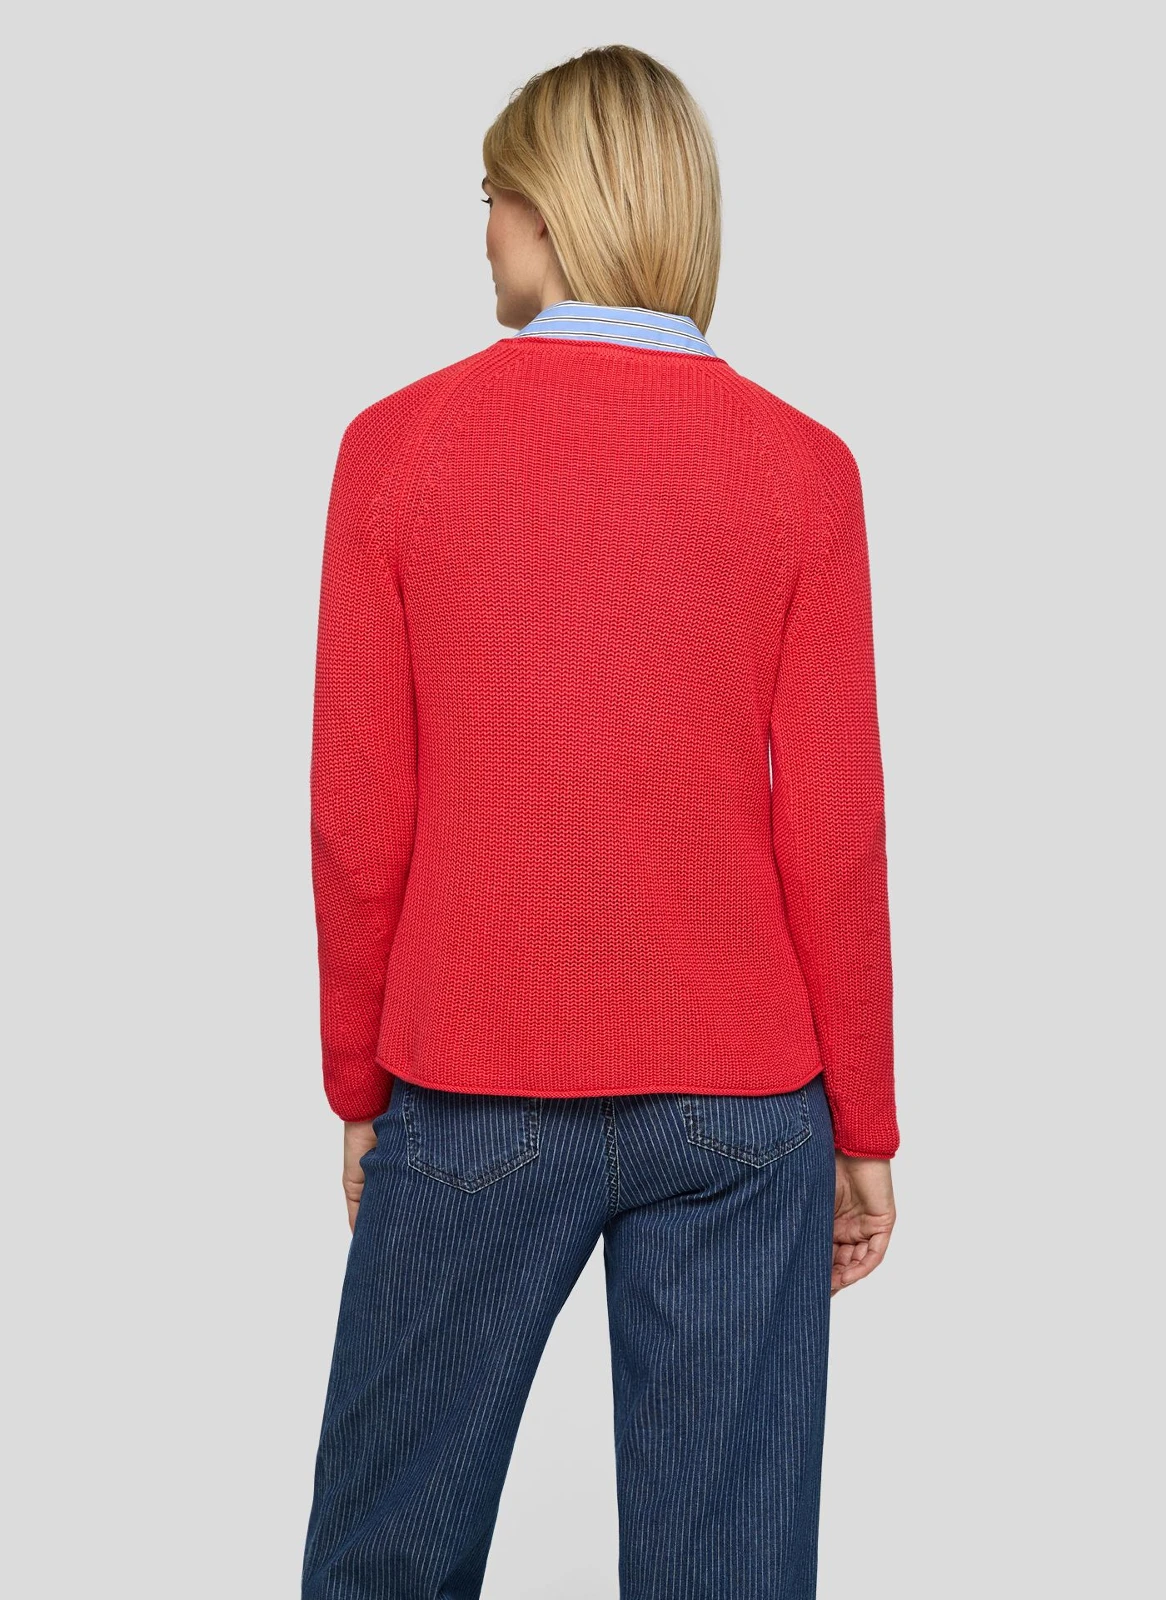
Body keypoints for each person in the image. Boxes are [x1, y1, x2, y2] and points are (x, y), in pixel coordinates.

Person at [301, 42, 899, 1600]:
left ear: (554, 212)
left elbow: (359, 813)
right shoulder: (802, 470)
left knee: (381, 1564)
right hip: (743, 1105)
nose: (483, 231)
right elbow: (833, 830)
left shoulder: (397, 448)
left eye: (494, 197)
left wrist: (357, 1081)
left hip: (472, 1083)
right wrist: (863, 1126)